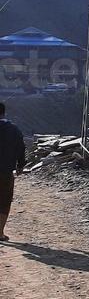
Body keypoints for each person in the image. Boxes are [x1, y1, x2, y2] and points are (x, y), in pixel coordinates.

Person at [0, 103, 24, 241]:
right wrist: (20, 165)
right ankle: (0, 233)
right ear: (4, 113)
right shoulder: (13, 130)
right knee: (4, 201)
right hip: (5, 172)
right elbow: (21, 148)